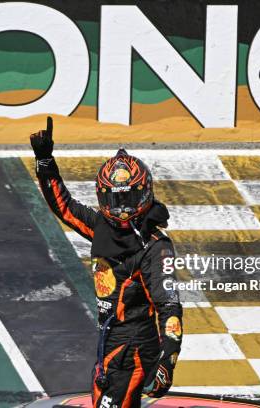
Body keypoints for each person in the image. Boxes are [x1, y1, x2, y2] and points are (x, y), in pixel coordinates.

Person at [30, 117, 183, 408]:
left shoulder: (155, 246)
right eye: (115, 199)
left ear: (145, 192)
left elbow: (169, 306)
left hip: (134, 345)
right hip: (112, 340)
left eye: (129, 198)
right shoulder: (104, 227)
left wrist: (167, 361)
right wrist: (45, 161)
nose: (122, 210)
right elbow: (65, 207)